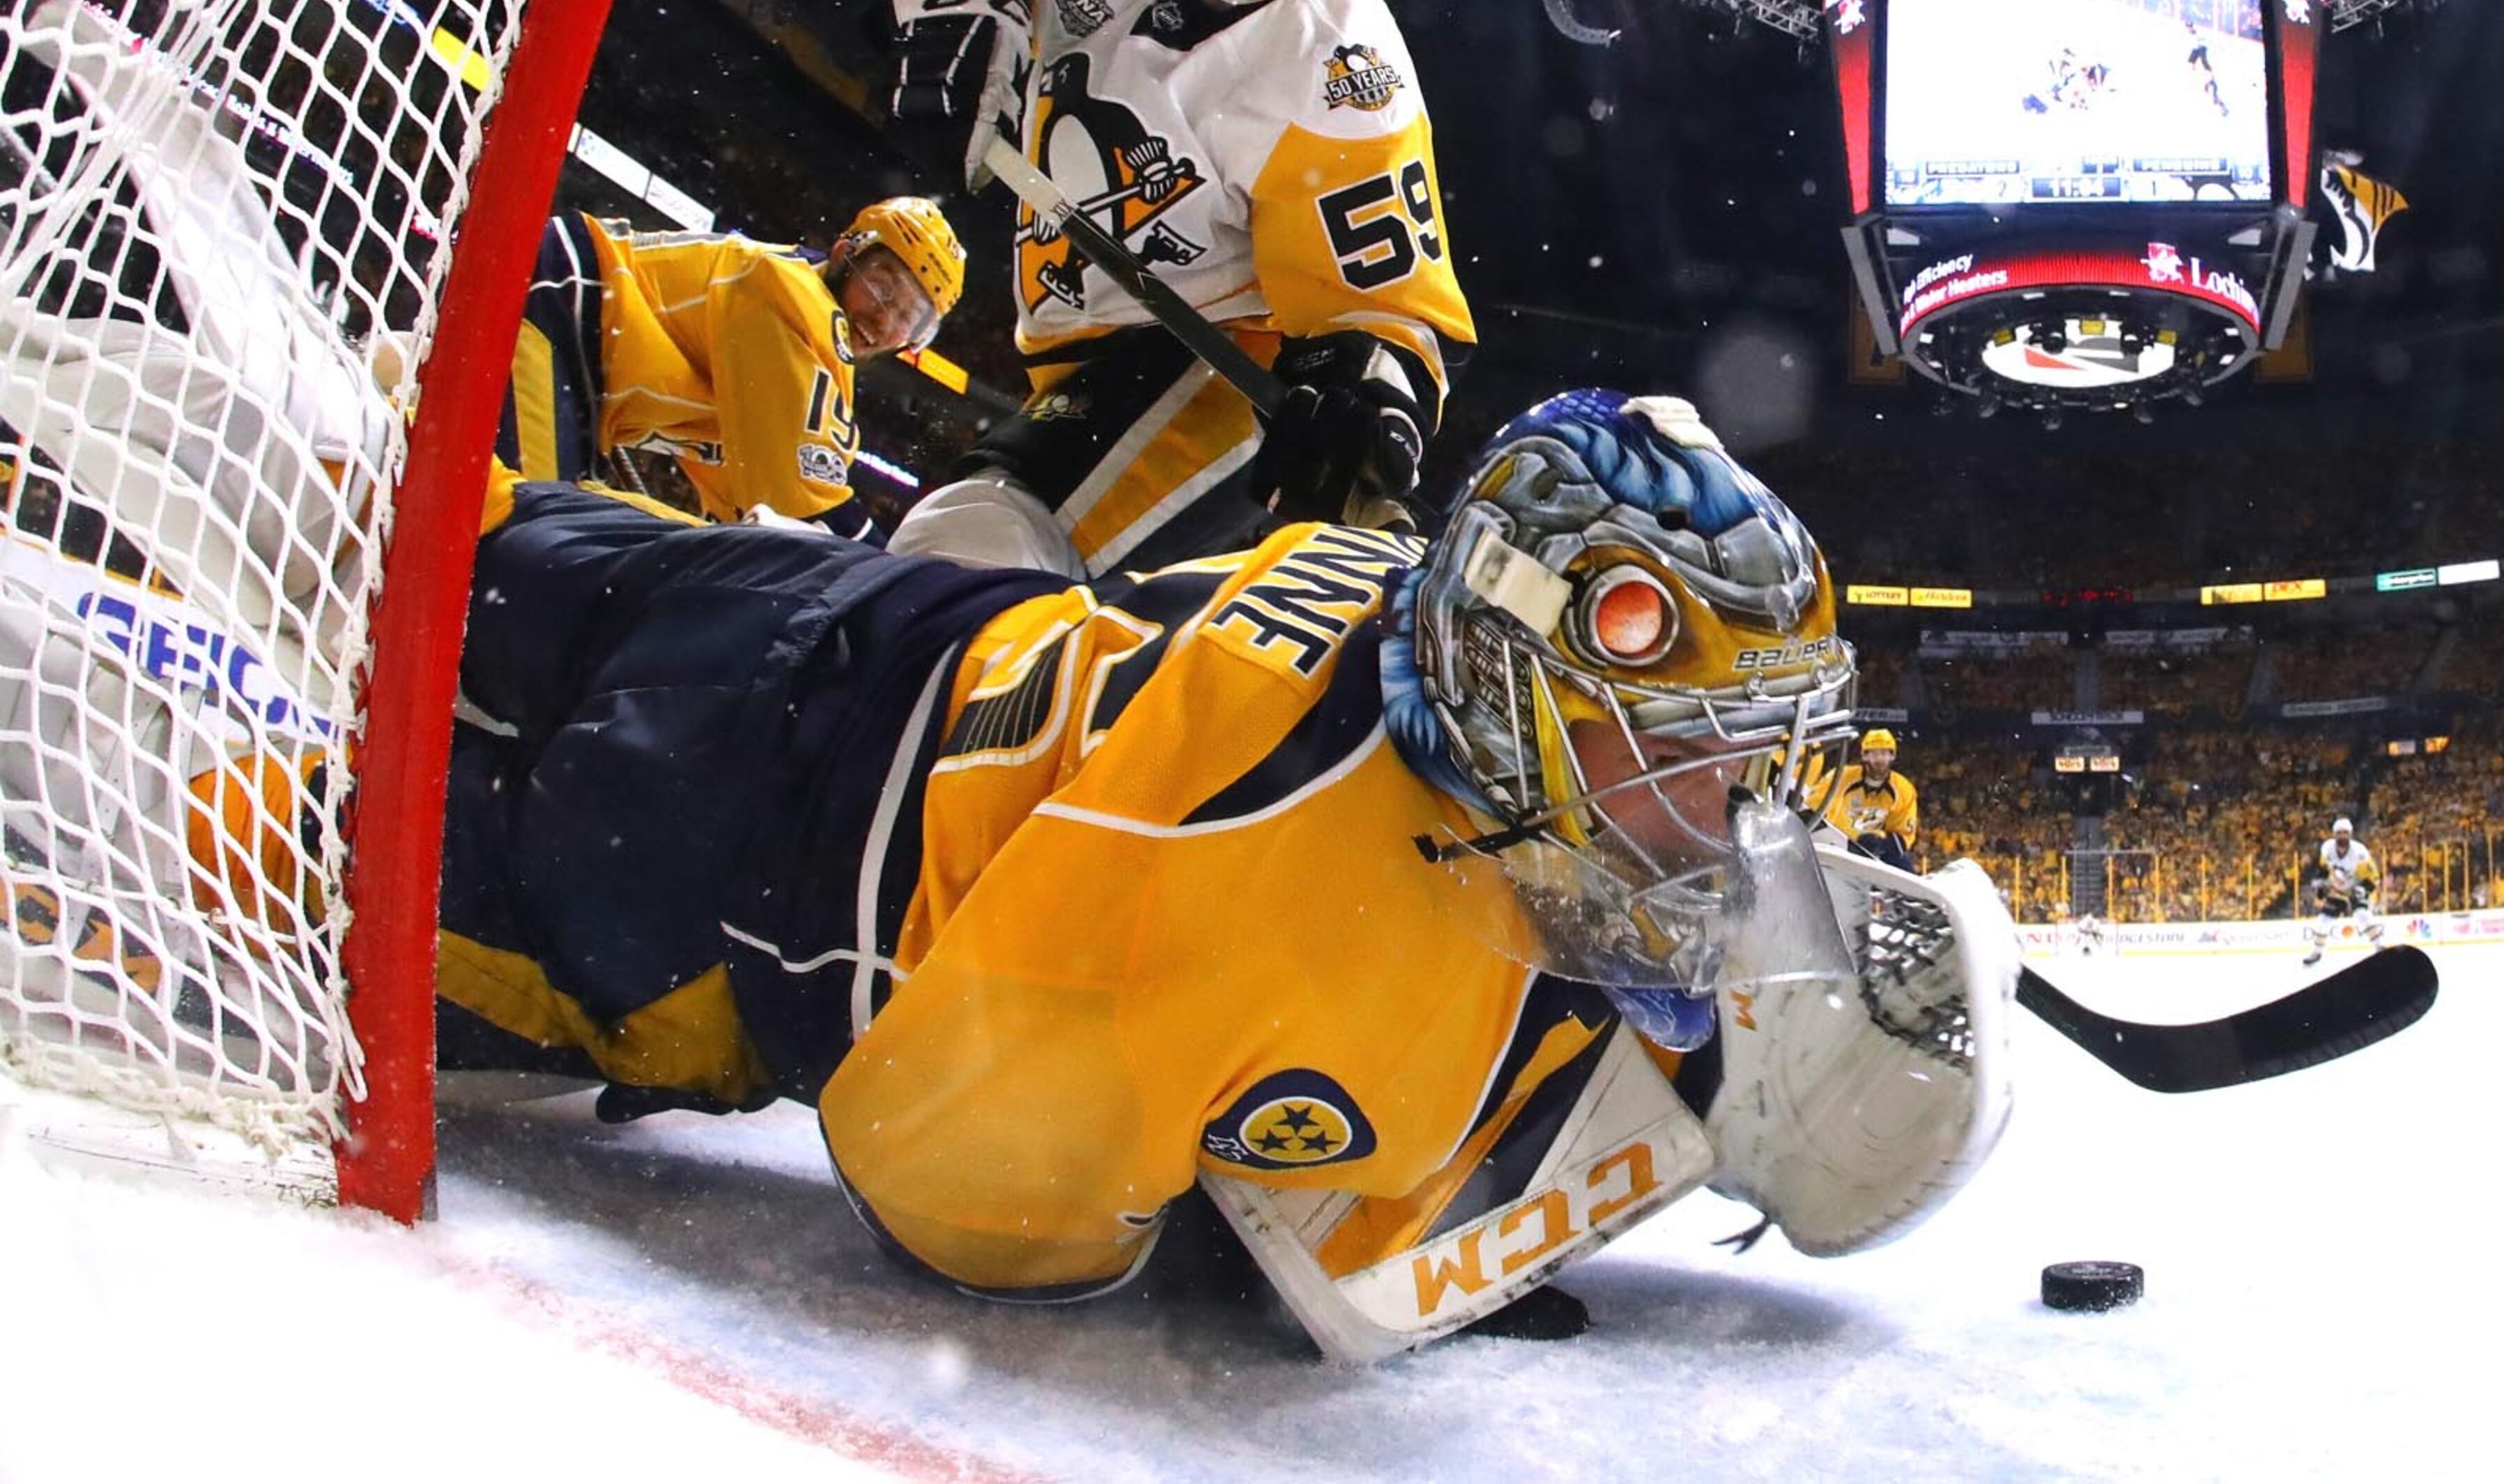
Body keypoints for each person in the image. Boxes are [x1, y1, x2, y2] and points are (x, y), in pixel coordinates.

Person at [5, 383, 2019, 1356]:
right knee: (193, 833)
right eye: (1684, 754)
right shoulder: (1360, 1001)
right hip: (683, 871)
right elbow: (953, 1182)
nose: (1726, 822)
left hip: (807, 613)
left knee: (360, 508)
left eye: (1749, 769)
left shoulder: (1393, 609)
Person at [836, 0, 1475, 578]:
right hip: (1067, 354)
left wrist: (1364, 410)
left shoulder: (1345, 64)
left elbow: (1389, 311)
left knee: (974, 544)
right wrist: (917, 3)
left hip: (1216, 360)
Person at [501, 199, 966, 544]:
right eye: (882, 290)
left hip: (584, 353)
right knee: (530, 537)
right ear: (845, 252)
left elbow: (750, 509)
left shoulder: (802, 357)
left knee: (574, 541)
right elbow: (806, 509)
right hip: (567, 302)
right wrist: (898, 582)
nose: (885, 321)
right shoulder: (792, 299)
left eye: (910, 319)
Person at [1806, 727, 1921, 869]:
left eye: (1884, 753)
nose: (1880, 759)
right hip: (1838, 847)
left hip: (1877, 852)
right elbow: (1813, 809)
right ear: (1864, 756)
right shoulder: (1840, 777)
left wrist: (1881, 846)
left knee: (1905, 866)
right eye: (1874, 754)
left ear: (1893, 756)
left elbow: (1903, 834)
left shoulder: (1903, 789)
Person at [2303, 814, 2384, 967]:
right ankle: (2317, 952)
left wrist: (2365, 889)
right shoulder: (2327, 848)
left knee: (2363, 915)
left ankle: (2380, 947)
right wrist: (2321, 887)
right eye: (2339, 833)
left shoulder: (2360, 851)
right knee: (2323, 920)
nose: (2342, 836)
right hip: (2337, 888)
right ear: (2334, 835)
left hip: (2356, 886)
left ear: (2350, 834)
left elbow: (2373, 875)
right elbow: (2323, 868)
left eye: (2345, 833)